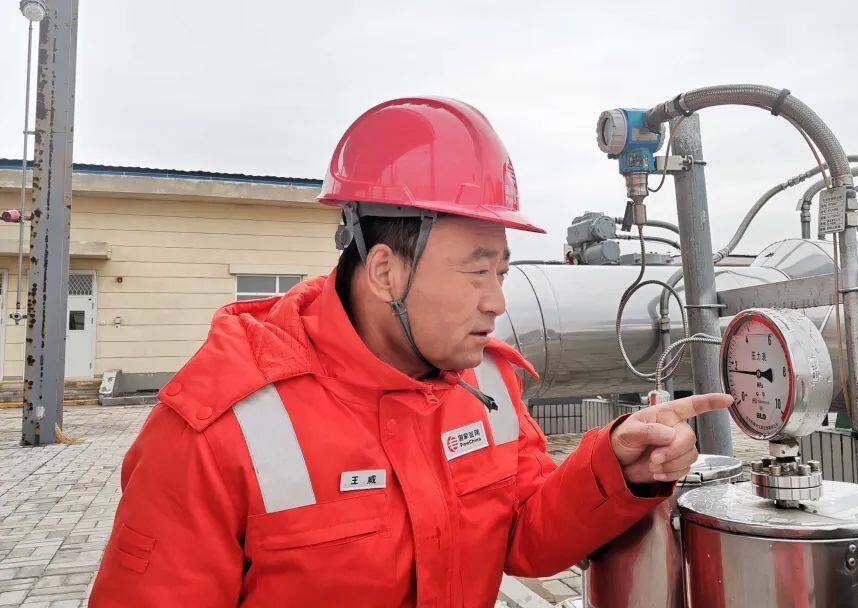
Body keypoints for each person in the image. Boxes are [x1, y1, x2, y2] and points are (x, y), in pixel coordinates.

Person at [89, 97, 731, 607]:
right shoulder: (215, 430)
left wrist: (615, 468)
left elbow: (525, 536)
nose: (496, 302)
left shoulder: (486, 384)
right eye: (476, 272)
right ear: (385, 271)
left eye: (502, 272)